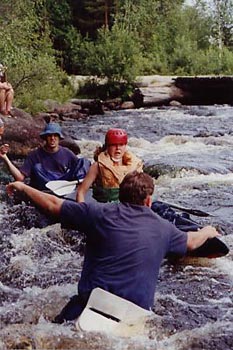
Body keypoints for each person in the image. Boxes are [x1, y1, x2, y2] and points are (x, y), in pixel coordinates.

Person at [7, 171, 220, 323]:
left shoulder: (97, 213)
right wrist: (208, 231)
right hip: (135, 315)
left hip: (92, 305)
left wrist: (23, 187)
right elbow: (192, 241)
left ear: (120, 195)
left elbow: (53, 205)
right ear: (148, 201)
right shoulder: (165, 229)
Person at [0, 122, 91, 190]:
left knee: (84, 161)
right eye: (49, 135)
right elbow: (19, 178)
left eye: (55, 135)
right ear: (45, 137)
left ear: (59, 138)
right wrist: (5, 158)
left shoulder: (67, 153)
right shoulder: (34, 155)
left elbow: (80, 168)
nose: (52, 138)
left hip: (63, 184)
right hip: (44, 185)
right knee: (37, 168)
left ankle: (80, 186)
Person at [77, 128, 143, 203]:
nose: (118, 148)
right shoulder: (97, 166)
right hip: (105, 208)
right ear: (107, 146)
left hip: (127, 207)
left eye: (121, 145)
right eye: (114, 145)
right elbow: (81, 192)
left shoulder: (135, 165)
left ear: (125, 146)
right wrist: (82, 210)